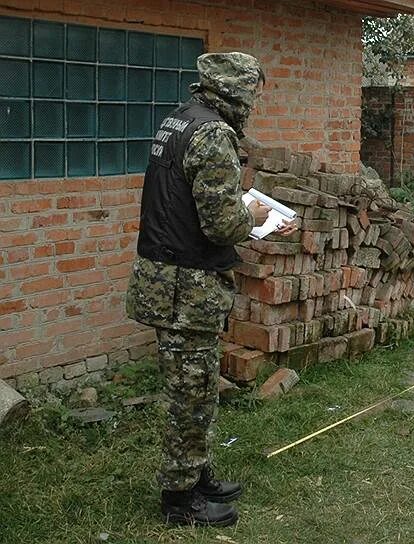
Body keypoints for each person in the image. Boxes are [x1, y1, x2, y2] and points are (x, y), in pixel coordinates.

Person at [125, 52, 296, 526]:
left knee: (195, 388)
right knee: (192, 393)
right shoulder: (213, 134)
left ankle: (195, 476)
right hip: (186, 286)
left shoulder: (177, 123)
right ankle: (181, 502)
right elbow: (221, 224)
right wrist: (257, 217)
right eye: (254, 93)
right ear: (236, 91)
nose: (255, 103)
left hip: (168, 277)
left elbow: (188, 199)